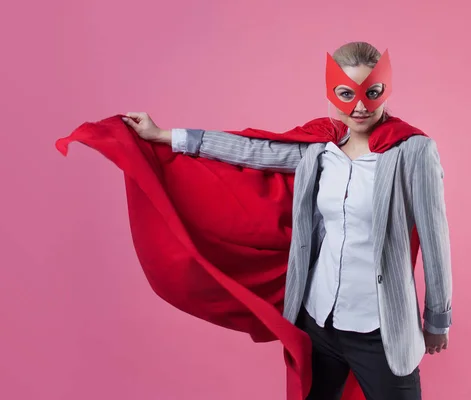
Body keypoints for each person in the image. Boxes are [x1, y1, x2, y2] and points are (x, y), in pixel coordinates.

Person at [122, 41, 452, 400]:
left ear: (386, 90)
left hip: (380, 328)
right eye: (346, 93)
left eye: (372, 93)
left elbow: (436, 242)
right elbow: (253, 149)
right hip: (318, 320)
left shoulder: (414, 151)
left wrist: (437, 319)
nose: (359, 106)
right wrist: (164, 136)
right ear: (331, 92)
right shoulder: (321, 145)